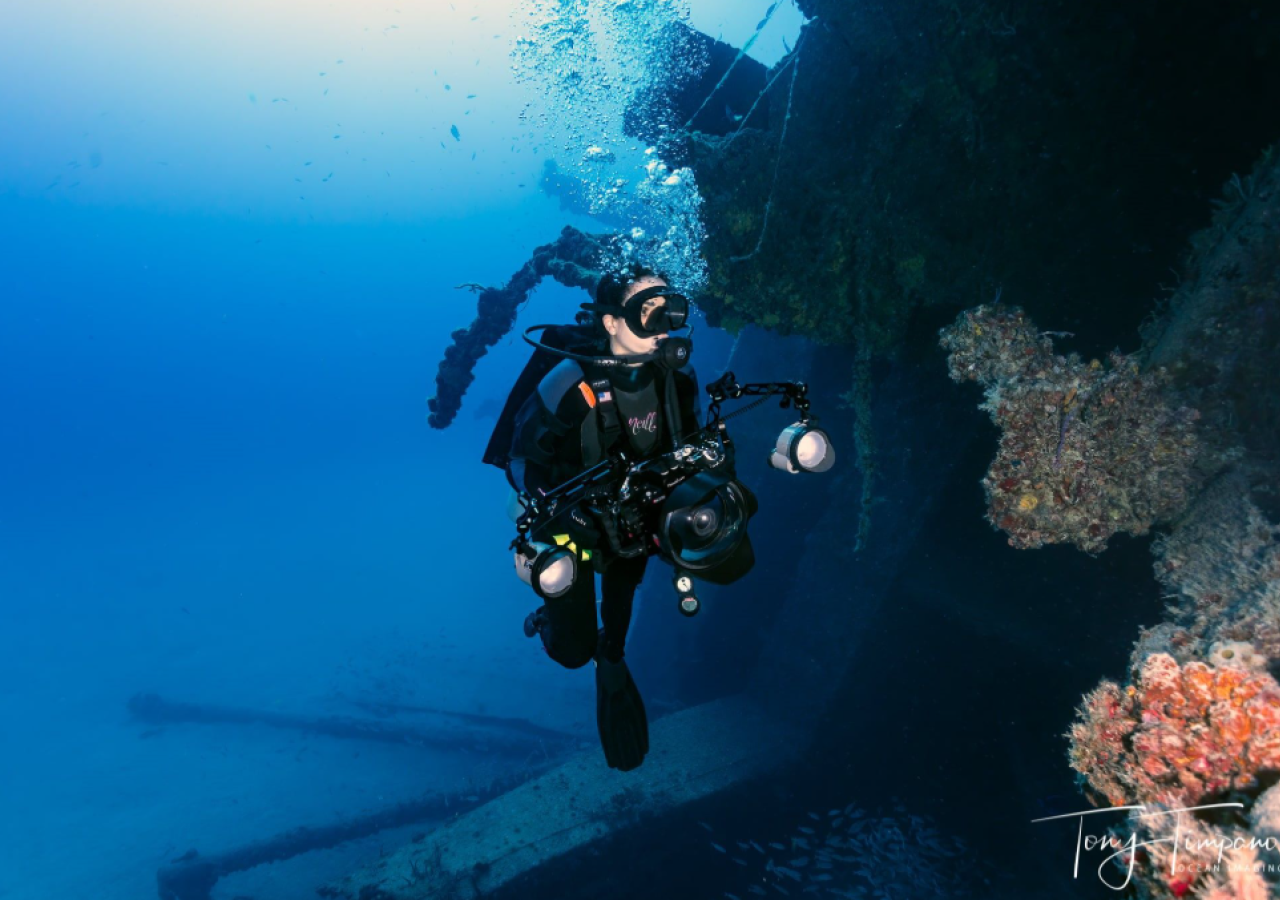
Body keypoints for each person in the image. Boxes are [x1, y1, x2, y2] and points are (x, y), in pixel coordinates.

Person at [505, 264, 702, 771]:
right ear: (613, 322)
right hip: (576, 528)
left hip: (635, 525)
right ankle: (550, 620)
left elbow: (693, 445)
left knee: (613, 635)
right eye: (647, 311)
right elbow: (521, 459)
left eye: (667, 311)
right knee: (573, 650)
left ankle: (611, 660)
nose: (662, 325)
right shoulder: (571, 383)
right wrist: (560, 511)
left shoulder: (675, 377)